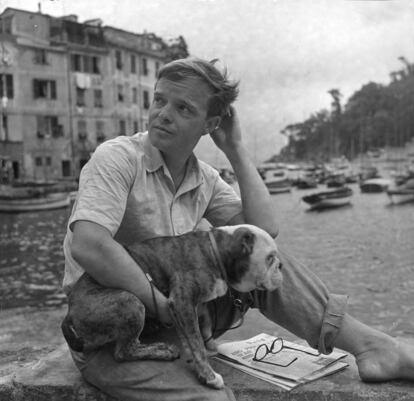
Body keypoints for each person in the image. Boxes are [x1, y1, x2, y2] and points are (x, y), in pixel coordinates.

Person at [62, 57, 414, 401]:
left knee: (263, 261)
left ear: (210, 124)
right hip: (114, 330)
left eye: (184, 108)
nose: (163, 114)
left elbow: (263, 231)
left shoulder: (205, 180)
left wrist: (236, 149)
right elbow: (89, 245)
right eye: (159, 100)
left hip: (184, 316)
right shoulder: (118, 158)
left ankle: (374, 349)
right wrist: (160, 304)